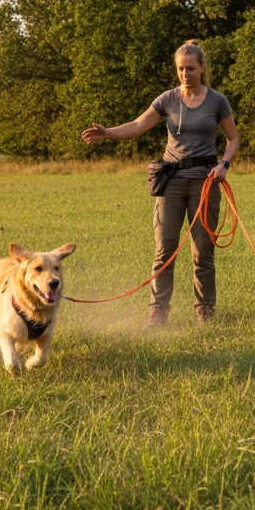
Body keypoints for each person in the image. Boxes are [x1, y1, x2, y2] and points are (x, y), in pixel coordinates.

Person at [81, 40, 240, 327]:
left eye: (191, 68)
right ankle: (158, 311)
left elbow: (234, 139)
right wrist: (108, 133)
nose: (185, 74)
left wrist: (223, 165)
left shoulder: (217, 100)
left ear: (202, 68)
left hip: (205, 181)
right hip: (172, 181)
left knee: (202, 250)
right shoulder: (167, 99)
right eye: (180, 69)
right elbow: (137, 126)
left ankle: (205, 310)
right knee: (164, 249)